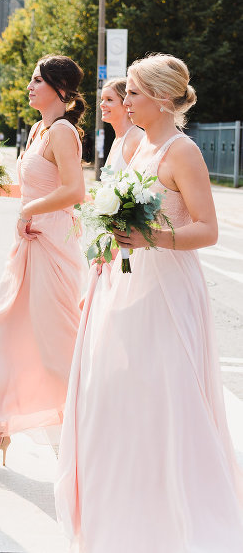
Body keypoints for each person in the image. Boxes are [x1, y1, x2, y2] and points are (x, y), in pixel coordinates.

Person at [56, 54, 243, 551]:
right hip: (121, 283)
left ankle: (175, 512)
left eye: (133, 93)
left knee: (163, 395)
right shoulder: (139, 146)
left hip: (165, 288)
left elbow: (208, 229)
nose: (126, 100)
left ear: (162, 99)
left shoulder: (182, 152)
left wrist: (149, 238)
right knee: (118, 395)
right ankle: (123, 508)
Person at [0, 55, 87, 465]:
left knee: (57, 345)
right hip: (29, 244)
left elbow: (75, 191)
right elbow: (36, 187)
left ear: (60, 89)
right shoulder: (37, 130)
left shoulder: (63, 131)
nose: (30, 86)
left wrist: (28, 213)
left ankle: (90, 426)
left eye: (37, 80)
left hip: (52, 246)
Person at [99, 77, 143, 174]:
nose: (102, 104)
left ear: (126, 103)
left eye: (109, 100)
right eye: (102, 99)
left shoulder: (138, 139)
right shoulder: (118, 139)